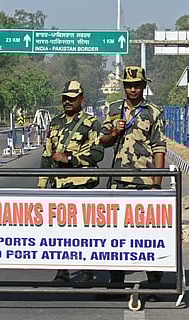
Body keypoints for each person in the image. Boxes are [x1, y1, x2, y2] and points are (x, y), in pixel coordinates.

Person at [100, 66, 166, 301]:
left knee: (148, 234)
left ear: (143, 85)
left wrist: (156, 185)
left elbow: (159, 148)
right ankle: (116, 282)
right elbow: (103, 141)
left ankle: (154, 284)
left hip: (145, 182)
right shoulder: (113, 110)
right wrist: (114, 132)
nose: (133, 89)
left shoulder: (153, 112)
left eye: (137, 84)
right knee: (116, 233)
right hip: (118, 181)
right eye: (129, 85)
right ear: (124, 87)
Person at [37, 80, 104, 282]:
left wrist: (72, 159)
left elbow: (98, 153)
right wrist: (41, 187)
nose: (68, 102)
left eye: (72, 98)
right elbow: (47, 155)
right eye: (65, 98)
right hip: (59, 186)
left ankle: (87, 270)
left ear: (81, 100)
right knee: (60, 230)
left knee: (84, 230)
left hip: (83, 184)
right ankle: (62, 270)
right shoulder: (55, 123)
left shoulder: (91, 123)